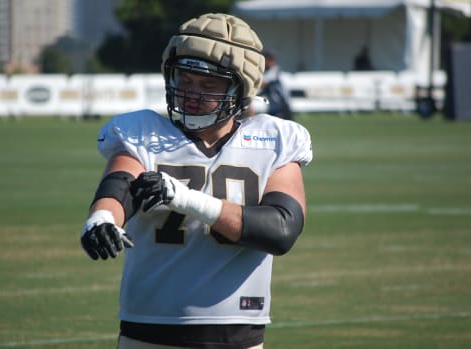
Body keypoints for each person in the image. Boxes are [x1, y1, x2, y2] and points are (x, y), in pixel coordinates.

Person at [80, 13, 313, 349]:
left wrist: (184, 198)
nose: (191, 93)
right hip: (148, 329)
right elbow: (119, 184)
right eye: (185, 80)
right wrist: (101, 218)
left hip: (237, 334)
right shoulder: (144, 133)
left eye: (208, 85)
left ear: (240, 87)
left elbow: (280, 230)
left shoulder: (274, 139)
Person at [258, 50, 293, 120]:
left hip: (281, 108)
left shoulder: (275, 71)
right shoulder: (270, 72)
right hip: (274, 108)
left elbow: (263, 83)